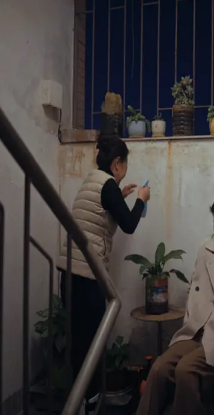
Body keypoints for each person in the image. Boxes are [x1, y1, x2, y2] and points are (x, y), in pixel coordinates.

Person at [136, 192, 214, 415]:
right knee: (159, 368)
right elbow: (194, 288)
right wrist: (192, 316)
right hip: (197, 330)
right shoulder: (206, 248)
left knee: (186, 371)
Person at [57, 135, 150, 406]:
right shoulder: (108, 184)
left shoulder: (93, 181)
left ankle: (77, 403)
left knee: (79, 345)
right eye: (124, 168)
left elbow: (101, 217)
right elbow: (129, 224)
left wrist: (120, 196)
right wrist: (141, 199)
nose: (123, 174)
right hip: (87, 279)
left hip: (70, 274)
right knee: (92, 345)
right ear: (117, 163)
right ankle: (89, 402)